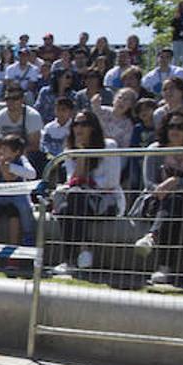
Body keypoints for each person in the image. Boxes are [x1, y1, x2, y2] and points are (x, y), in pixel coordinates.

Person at [133, 108, 183, 288]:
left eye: (181, 126)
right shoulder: (155, 150)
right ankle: (162, 261)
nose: (175, 130)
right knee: (174, 203)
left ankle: (154, 240)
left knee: (181, 205)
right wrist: (170, 188)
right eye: (171, 126)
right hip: (158, 201)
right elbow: (150, 184)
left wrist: (174, 181)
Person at [51, 110, 123, 272]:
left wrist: (87, 183)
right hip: (79, 200)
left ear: (93, 128)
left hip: (106, 201)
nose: (79, 128)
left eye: (84, 124)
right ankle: (74, 257)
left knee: (74, 199)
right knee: (65, 209)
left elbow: (111, 181)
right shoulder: (70, 151)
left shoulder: (109, 146)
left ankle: (80, 251)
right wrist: (81, 156)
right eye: (76, 124)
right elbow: (73, 180)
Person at [0, 133, 37, 247]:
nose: (0, 152)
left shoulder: (21, 160)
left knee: (24, 208)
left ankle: (28, 235)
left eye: (3, 149)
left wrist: (11, 168)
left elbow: (32, 174)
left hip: (17, 194)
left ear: (16, 152)